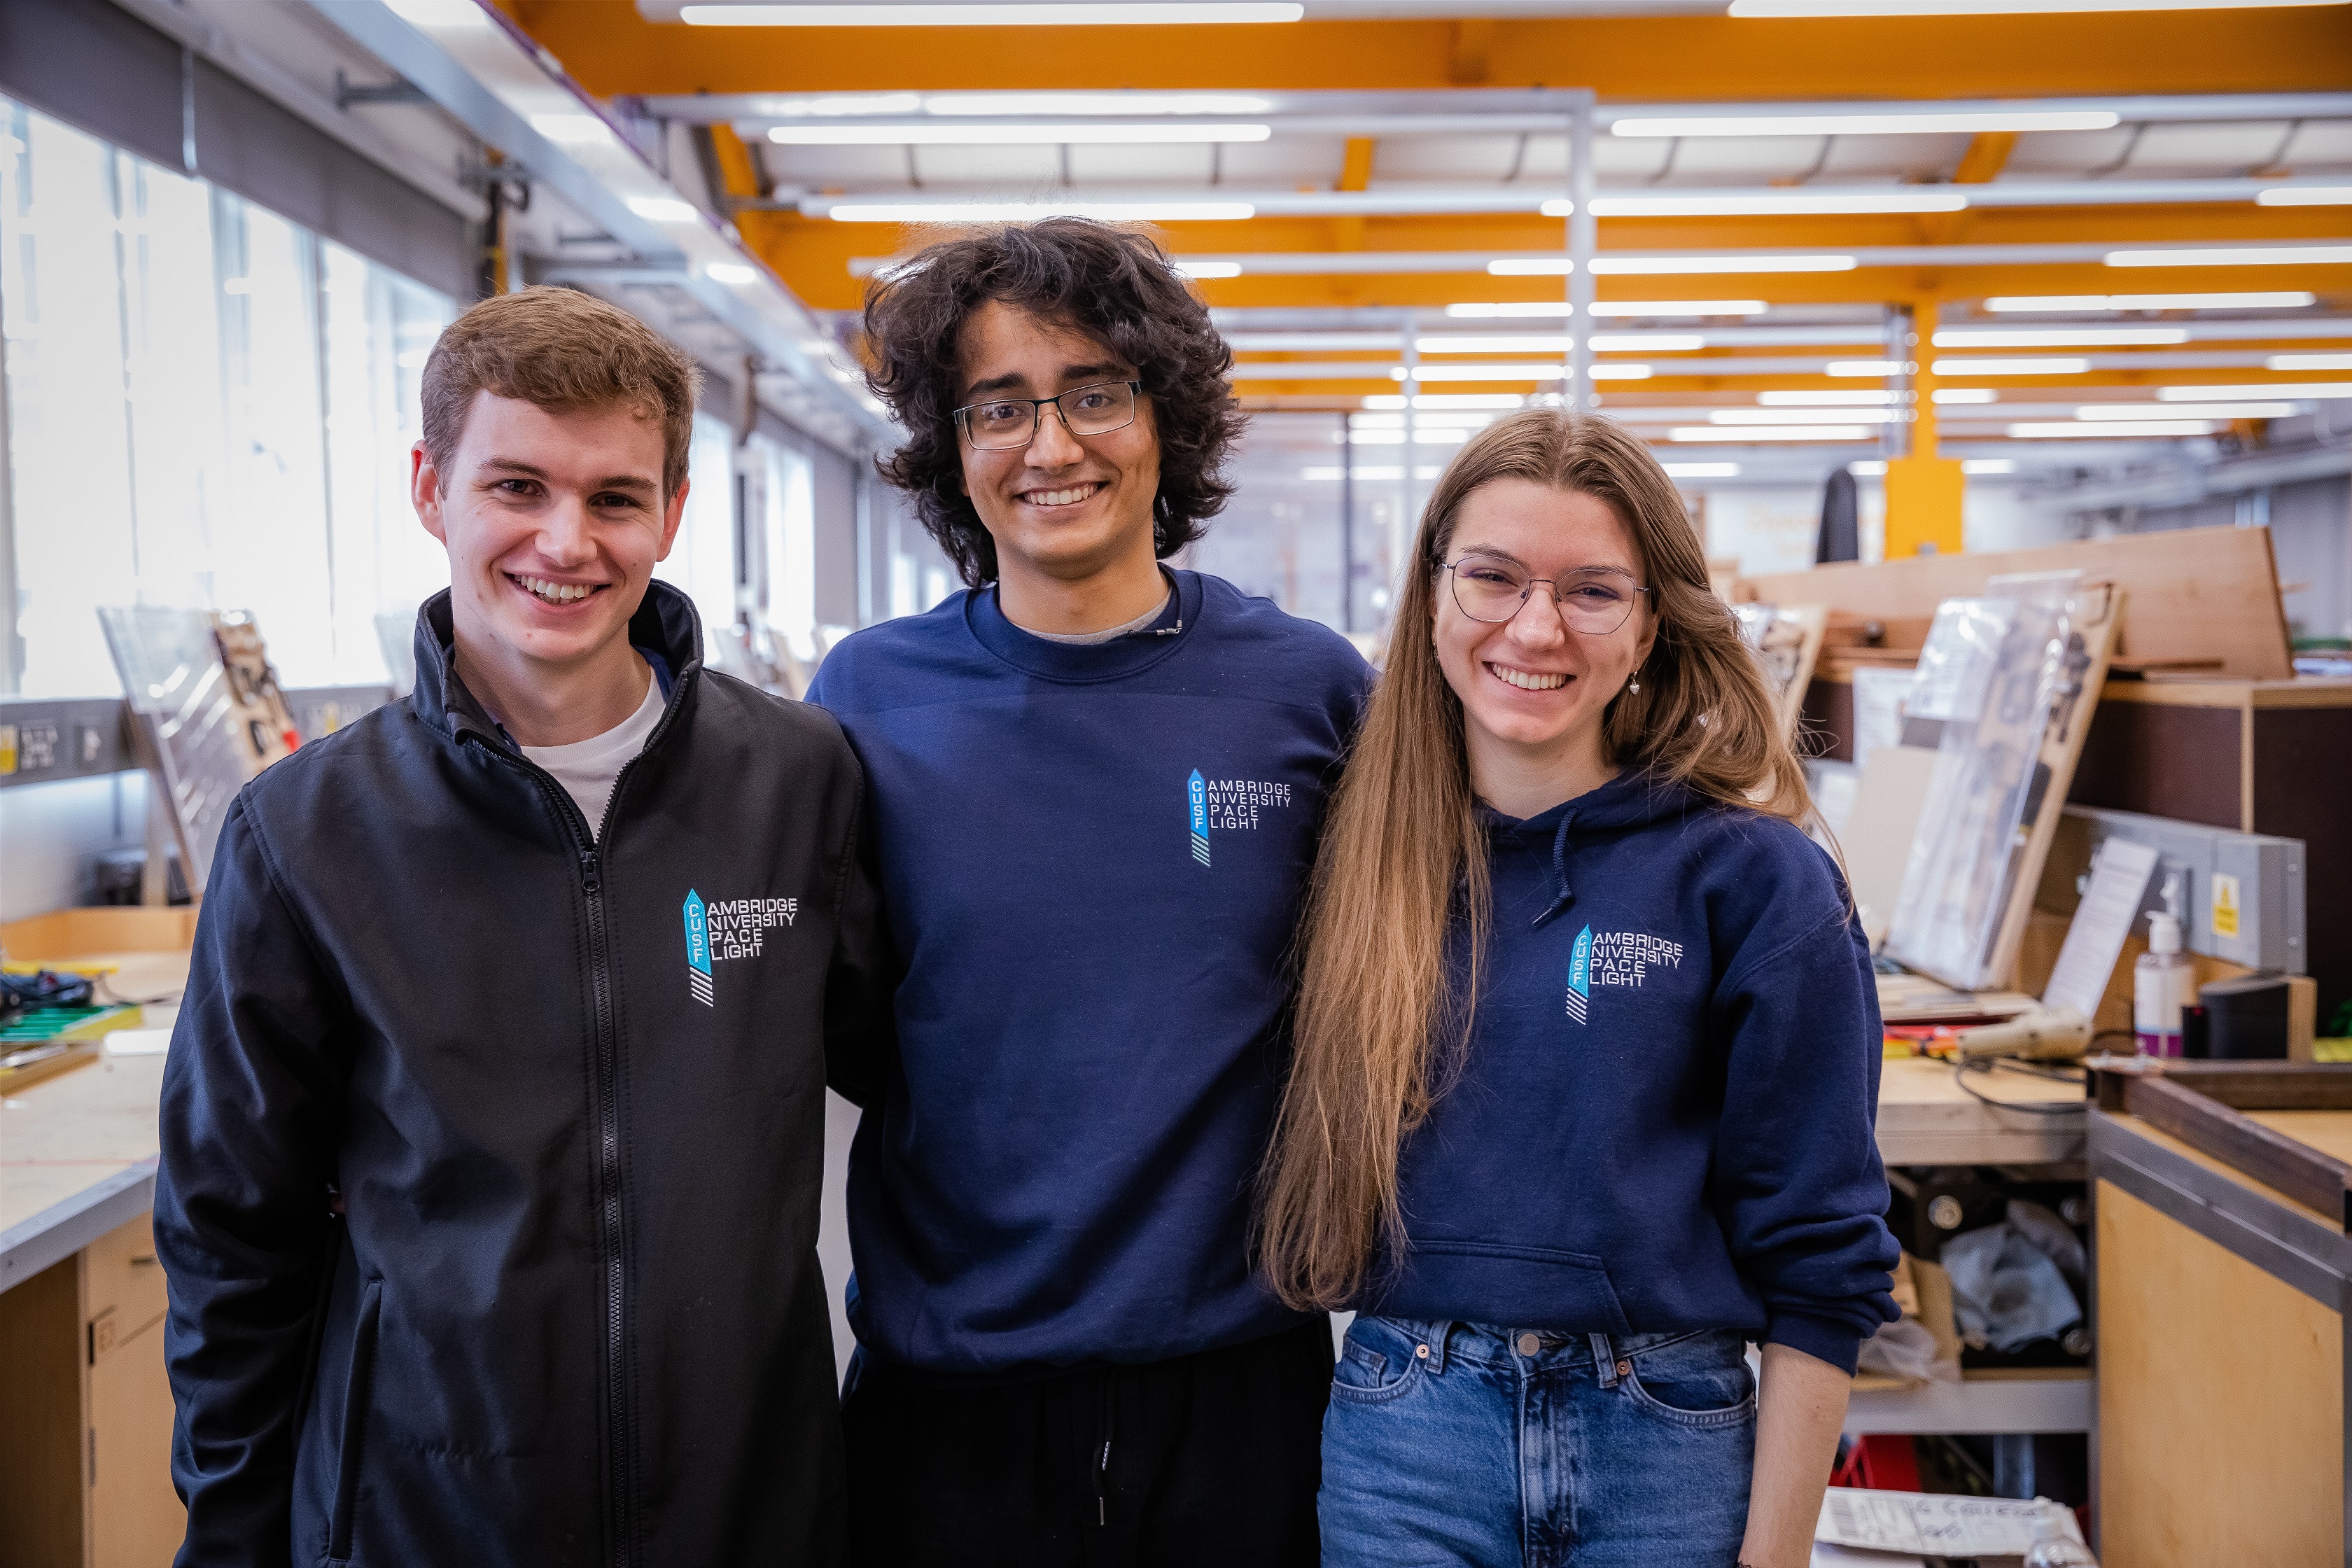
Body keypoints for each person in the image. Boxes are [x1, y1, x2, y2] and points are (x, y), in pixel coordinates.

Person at [153, 285, 886, 1567]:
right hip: (425, 1513)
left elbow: (921, 1083)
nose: (567, 541)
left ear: (671, 510)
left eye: (614, 497)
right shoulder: (306, 833)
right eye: (517, 488)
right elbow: (231, 1231)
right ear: (431, 488)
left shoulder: (799, 780)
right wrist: (234, 1529)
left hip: (750, 1508)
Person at [806, 218, 1367, 1566]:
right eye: (999, 407)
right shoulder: (866, 703)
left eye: (1094, 394)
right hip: (950, 1404)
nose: (1050, 446)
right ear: (953, 447)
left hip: (1239, 1391)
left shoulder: (1308, 692)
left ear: (1165, 419)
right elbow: (842, 1025)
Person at [1259, 408, 1899, 1568]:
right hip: (1409, 1436)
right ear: (1436, 596)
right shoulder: (1352, 865)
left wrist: (1776, 1555)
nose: (1536, 627)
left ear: (1653, 625)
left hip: (1668, 1440)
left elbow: (1825, 1258)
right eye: (1492, 578)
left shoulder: (1756, 880)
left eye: (1593, 591)